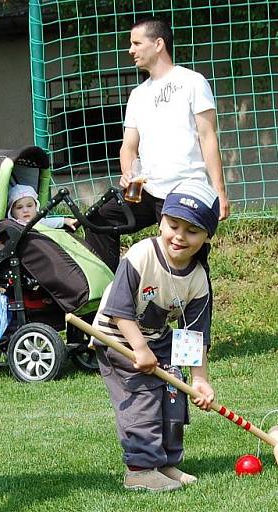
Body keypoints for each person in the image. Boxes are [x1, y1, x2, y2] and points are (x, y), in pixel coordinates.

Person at [92, 179, 218, 492]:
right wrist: (139, 348)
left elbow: (193, 334)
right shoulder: (141, 255)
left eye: (192, 231)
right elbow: (118, 310)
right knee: (144, 393)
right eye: (173, 225)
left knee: (174, 391)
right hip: (118, 336)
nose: (179, 237)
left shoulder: (198, 279)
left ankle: (165, 463)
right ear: (161, 221)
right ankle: (139, 469)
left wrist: (199, 380)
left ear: (206, 236)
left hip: (156, 337)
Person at [85, 16, 230, 273]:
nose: (130, 50)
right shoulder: (138, 95)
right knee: (98, 220)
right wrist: (127, 170)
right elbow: (128, 146)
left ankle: (195, 308)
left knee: (182, 262)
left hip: (183, 190)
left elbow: (208, 137)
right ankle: (105, 299)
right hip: (145, 191)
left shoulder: (193, 82)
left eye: (136, 43)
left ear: (158, 43)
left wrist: (219, 191)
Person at [7, 184, 78, 230]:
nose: (25, 210)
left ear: (36, 206)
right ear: (12, 211)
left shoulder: (37, 222)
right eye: (19, 207)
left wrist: (65, 221)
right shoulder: (11, 225)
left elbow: (50, 222)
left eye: (29, 206)